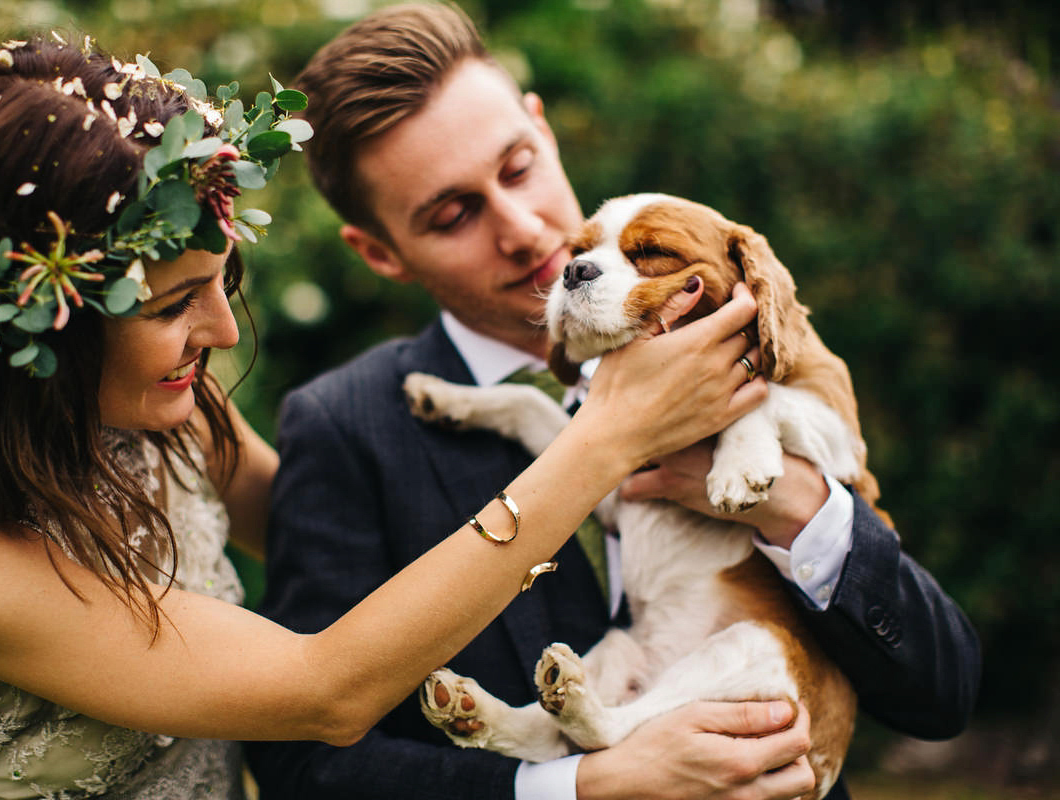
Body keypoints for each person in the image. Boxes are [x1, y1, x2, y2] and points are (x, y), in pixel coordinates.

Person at [0, 34, 770, 800]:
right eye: (172, 304)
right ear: (43, 324)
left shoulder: (157, 409)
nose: (218, 333)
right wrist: (606, 436)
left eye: (223, 285)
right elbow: (325, 691)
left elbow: (349, 535)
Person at [246, 4, 981, 800]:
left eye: (520, 167)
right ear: (379, 254)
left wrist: (798, 505)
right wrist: (572, 788)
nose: (525, 231)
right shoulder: (345, 427)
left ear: (544, 130)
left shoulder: (745, 351)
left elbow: (942, 695)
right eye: (454, 214)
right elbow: (303, 768)